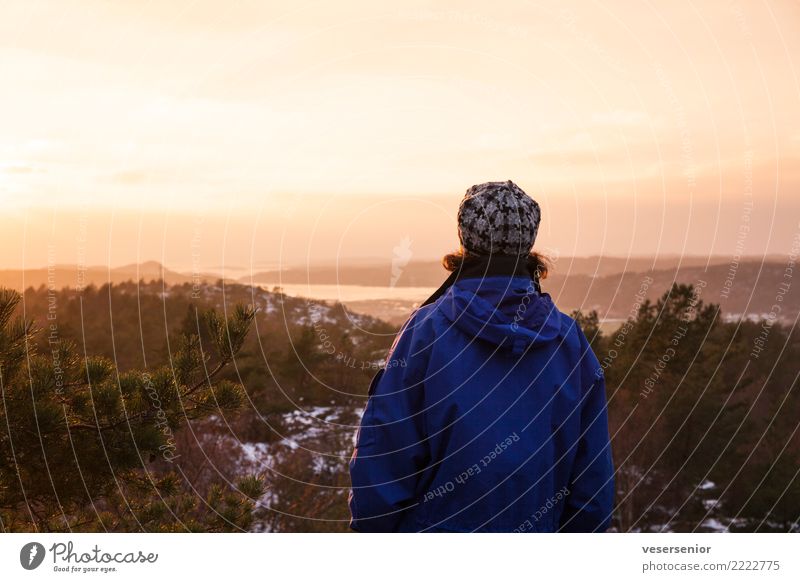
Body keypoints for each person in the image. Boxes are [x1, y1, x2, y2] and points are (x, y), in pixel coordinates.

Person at [348, 180, 614, 532]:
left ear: (465, 239)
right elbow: (591, 481)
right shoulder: (568, 343)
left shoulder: (426, 332)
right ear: (528, 244)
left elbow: (385, 452)